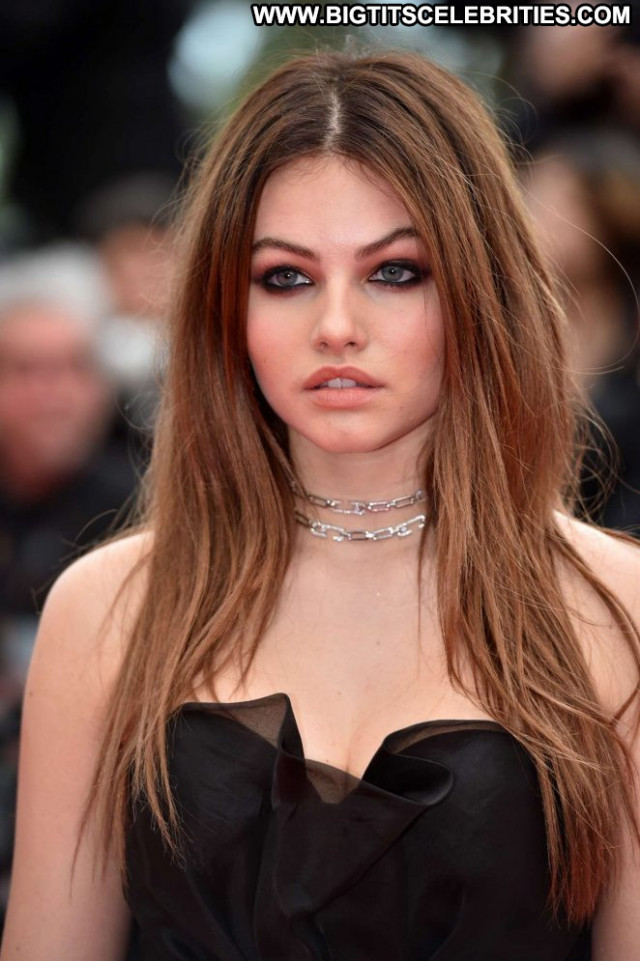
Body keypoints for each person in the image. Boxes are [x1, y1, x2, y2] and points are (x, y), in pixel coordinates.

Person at [1, 49, 639, 961]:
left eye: (396, 272)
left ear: (480, 288)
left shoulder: (617, 612)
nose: (337, 326)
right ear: (227, 309)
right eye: (286, 277)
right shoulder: (107, 611)